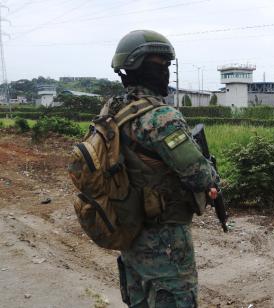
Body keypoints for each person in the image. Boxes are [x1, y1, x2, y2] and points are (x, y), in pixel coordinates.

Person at [109, 30, 217, 307]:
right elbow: (199, 175)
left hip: (129, 228)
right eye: (162, 66)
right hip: (164, 239)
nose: (166, 73)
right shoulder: (160, 116)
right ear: (140, 67)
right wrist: (212, 177)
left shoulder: (113, 109)